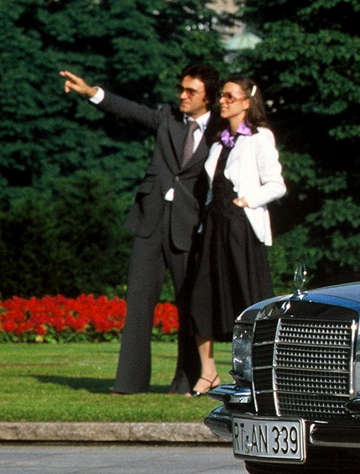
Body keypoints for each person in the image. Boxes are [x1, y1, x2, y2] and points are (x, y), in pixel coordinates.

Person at [59, 64, 219, 394]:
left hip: (190, 226)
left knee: (189, 303)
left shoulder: (221, 131)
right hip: (150, 219)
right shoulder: (167, 117)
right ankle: (129, 383)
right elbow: (131, 111)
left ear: (209, 97)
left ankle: (188, 380)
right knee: (138, 300)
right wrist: (91, 92)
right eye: (181, 88)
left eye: (191, 91)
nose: (182, 95)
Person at [184, 77, 286, 392]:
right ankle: (208, 373)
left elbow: (277, 185)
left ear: (246, 102)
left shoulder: (260, 137)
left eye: (230, 96)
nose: (223, 101)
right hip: (214, 226)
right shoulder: (219, 141)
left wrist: (247, 201)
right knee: (201, 296)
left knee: (249, 298)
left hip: (241, 226)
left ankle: (257, 375)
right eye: (223, 96)